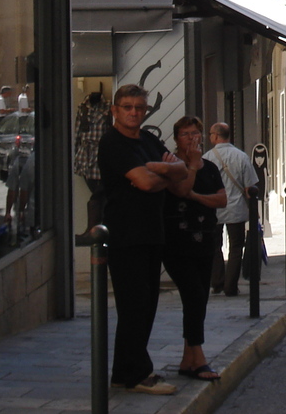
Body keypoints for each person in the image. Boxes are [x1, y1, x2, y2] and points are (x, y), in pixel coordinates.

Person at [98, 84, 188, 395]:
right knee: (134, 305)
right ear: (115, 110)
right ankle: (138, 374)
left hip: (152, 231)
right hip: (126, 235)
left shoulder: (148, 139)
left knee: (146, 305)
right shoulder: (113, 143)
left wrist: (159, 168)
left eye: (139, 107)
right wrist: (165, 172)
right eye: (127, 107)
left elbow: (181, 170)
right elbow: (146, 182)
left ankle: (124, 372)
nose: (134, 112)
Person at [162, 117, 226, 381]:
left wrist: (197, 197)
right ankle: (198, 357)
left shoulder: (210, 167)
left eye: (195, 133)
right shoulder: (171, 165)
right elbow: (180, 190)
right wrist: (191, 167)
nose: (191, 138)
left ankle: (188, 358)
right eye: (186, 134)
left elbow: (221, 199)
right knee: (193, 296)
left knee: (201, 296)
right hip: (176, 243)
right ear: (176, 139)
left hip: (206, 240)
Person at [204, 122, 258, 296]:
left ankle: (217, 282)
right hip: (236, 209)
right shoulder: (241, 157)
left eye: (211, 133)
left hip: (215, 208)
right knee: (236, 247)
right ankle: (230, 285)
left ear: (216, 136)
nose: (209, 136)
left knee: (214, 246)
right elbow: (250, 186)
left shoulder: (207, 158)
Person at [73, 91, 112, 243]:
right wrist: (75, 154)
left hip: (103, 153)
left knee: (100, 194)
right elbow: (77, 133)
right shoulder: (82, 108)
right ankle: (95, 231)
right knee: (97, 194)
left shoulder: (108, 107)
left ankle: (95, 231)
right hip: (86, 156)